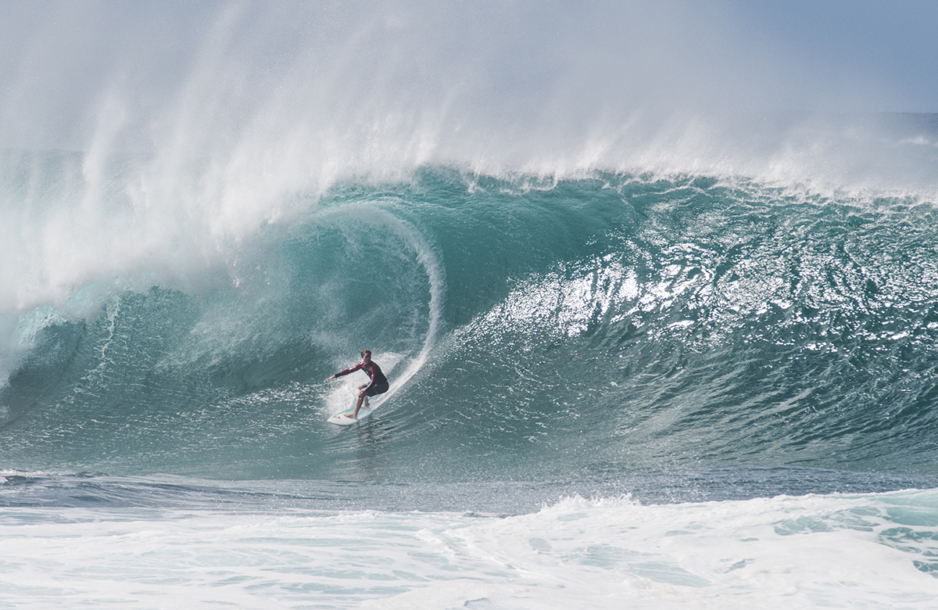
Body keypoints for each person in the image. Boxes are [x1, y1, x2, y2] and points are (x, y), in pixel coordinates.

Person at [326, 349, 389, 419]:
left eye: (369, 357)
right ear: (362, 356)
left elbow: (373, 382)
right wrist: (335, 375)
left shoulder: (373, 367)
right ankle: (366, 404)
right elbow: (349, 371)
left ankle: (354, 414)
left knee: (361, 393)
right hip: (376, 383)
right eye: (366, 356)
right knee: (360, 387)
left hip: (383, 386)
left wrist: (365, 391)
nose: (368, 358)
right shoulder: (361, 365)